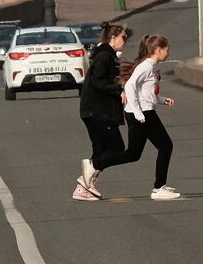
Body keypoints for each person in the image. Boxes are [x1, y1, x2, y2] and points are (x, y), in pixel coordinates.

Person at [118, 34, 181, 200]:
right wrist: (139, 113)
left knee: (133, 153)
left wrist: (161, 100)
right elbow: (130, 86)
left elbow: (145, 92)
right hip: (143, 114)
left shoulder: (149, 66)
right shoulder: (146, 66)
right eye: (166, 50)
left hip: (142, 111)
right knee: (166, 146)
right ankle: (159, 187)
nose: (168, 53)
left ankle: (96, 164)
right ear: (158, 50)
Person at [73, 23, 131, 200]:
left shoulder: (106, 55)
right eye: (123, 37)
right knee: (117, 147)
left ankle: (83, 188)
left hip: (95, 111)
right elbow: (98, 81)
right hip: (98, 111)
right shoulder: (105, 56)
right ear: (113, 38)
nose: (125, 41)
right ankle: (89, 169)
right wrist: (118, 90)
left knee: (101, 149)